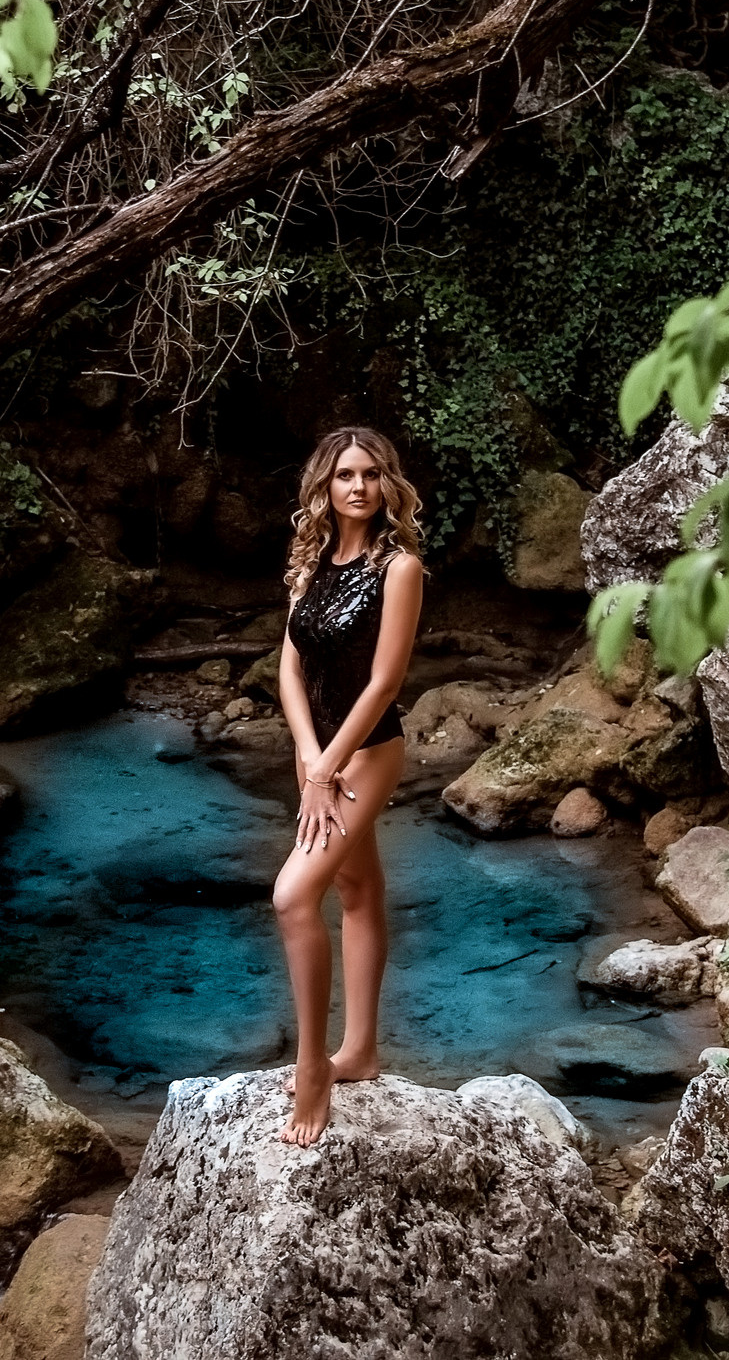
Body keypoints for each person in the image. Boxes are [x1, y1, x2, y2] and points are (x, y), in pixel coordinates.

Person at [271, 426, 425, 1146]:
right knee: (355, 890)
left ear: (385, 483)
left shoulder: (400, 568)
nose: (356, 486)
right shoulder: (310, 564)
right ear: (324, 487)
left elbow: (385, 680)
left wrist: (330, 768)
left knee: (293, 895)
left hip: (369, 752)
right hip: (321, 756)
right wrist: (309, 759)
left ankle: (313, 1067)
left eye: (368, 474)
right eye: (342, 475)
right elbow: (290, 669)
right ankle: (358, 1049)